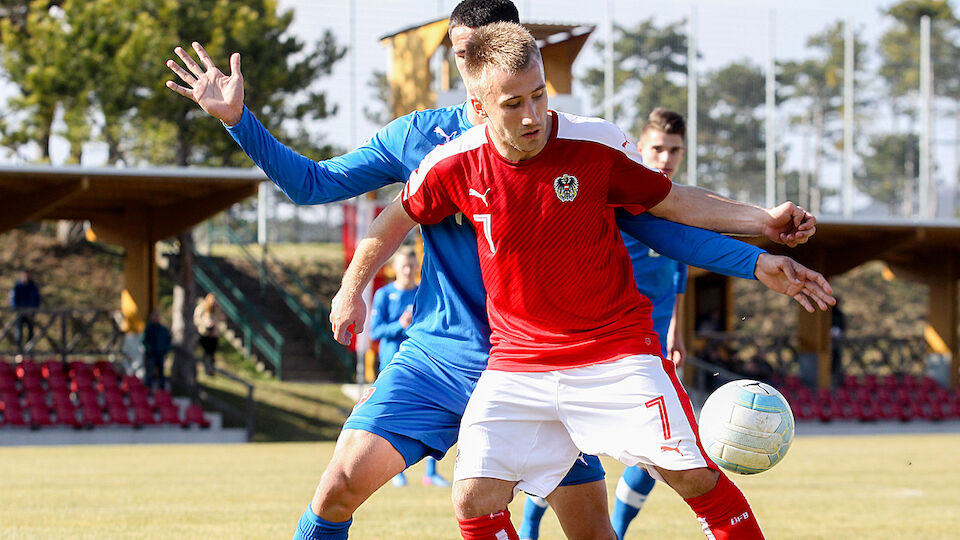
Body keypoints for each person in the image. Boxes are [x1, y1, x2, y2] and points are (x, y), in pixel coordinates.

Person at [165, 2, 821, 537]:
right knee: (338, 489)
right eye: (460, 52)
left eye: (491, 50)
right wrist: (241, 124)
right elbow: (316, 186)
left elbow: (658, 220)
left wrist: (757, 254)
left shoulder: (571, 144)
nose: (470, 63)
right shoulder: (422, 143)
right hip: (443, 357)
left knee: (593, 532)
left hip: (552, 360)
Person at [519, 108, 692, 540]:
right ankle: (528, 528)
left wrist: (677, 330)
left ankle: (617, 531)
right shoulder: (614, 196)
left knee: (664, 449)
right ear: (639, 145)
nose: (666, 158)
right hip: (602, 338)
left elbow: (680, 273)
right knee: (566, 451)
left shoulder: (678, 205)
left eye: (675, 151)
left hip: (655, 342)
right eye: (657, 148)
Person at [370, 247, 450, 488]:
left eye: (412, 267)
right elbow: (375, 331)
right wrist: (400, 325)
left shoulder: (422, 294)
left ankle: (431, 472)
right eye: (404, 266)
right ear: (394, 268)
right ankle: (395, 472)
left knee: (431, 418)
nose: (408, 271)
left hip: (423, 365)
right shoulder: (384, 295)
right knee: (390, 420)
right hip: (392, 366)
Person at [9, 270, 41, 354]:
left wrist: (33, 310)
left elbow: (37, 300)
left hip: (31, 313)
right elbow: (14, 300)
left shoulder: (33, 287)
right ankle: (19, 352)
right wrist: (19, 310)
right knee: (19, 332)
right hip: (20, 313)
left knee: (31, 332)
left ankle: (29, 352)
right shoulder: (17, 287)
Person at [193, 293, 224, 375]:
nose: (213, 301)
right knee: (205, 353)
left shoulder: (217, 308)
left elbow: (222, 319)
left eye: (214, 300)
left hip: (214, 335)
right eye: (211, 299)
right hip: (204, 334)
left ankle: (211, 370)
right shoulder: (202, 307)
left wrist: (218, 310)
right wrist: (206, 325)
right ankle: (205, 369)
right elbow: (196, 319)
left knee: (212, 354)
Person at [142, 310, 172, 391]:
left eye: (157, 316)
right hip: (152, 355)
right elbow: (144, 341)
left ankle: (162, 389)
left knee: (161, 372)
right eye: (154, 316)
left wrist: (166, 349)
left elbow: (169, 340)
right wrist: (150, 349)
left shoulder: (163, 329)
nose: (156, 318)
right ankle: (147, 388)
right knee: (150, 371)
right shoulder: (149, 328)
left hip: (161, 354)